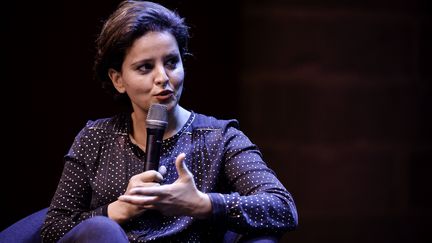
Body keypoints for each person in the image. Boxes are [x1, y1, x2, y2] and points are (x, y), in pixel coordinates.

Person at [40, 0, 298, 242]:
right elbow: (52, 230)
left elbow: (282, 207)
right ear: (118, 79)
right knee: (101, 229)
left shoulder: (220, 137)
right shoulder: (95, 138)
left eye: (172, 62)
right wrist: (117, 209)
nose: (163, 77)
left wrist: (202, 203)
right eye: (145, 67)